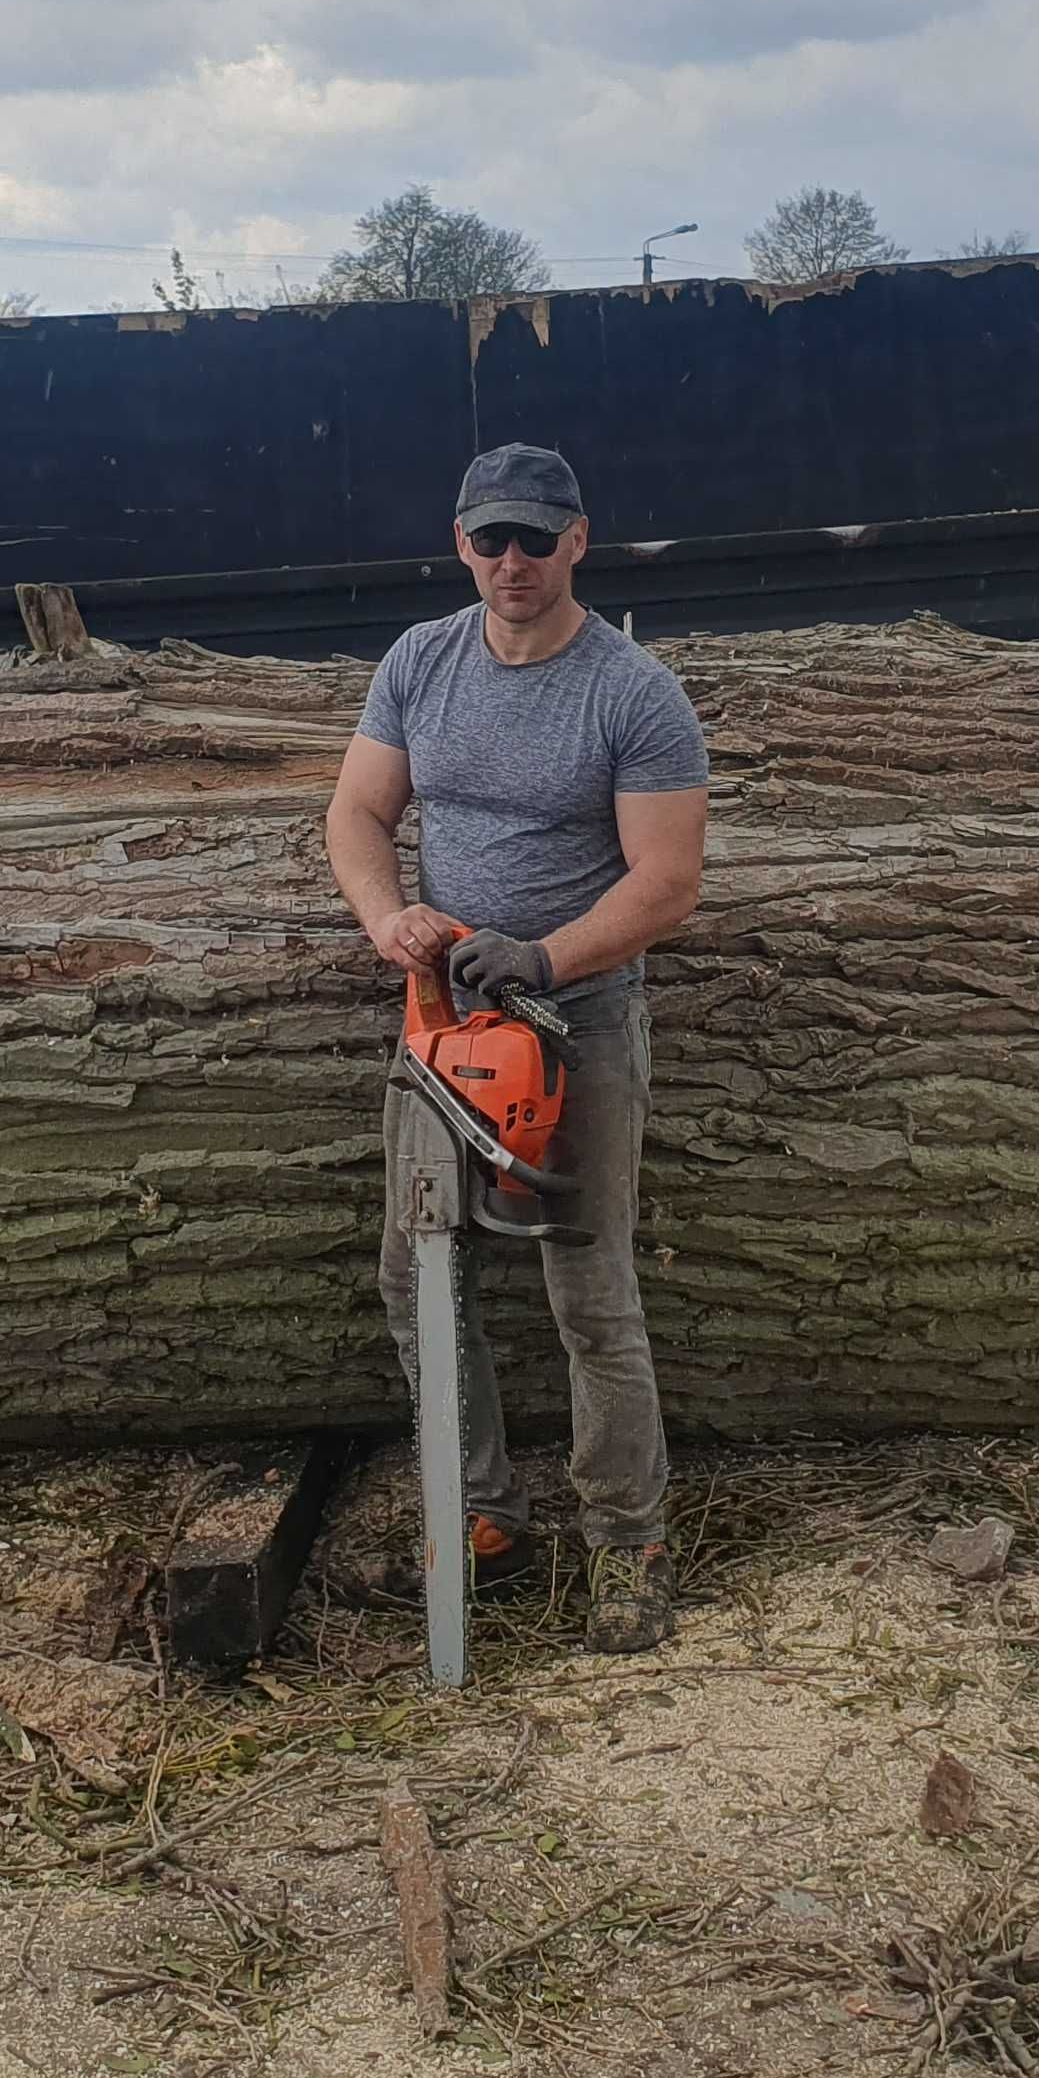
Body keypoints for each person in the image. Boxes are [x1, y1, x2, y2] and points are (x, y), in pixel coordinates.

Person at [326, 442, 709, 1652]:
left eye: (535, 540)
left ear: (578, 541)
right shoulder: (421, 662)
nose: (512, 562)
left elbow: (668, 885)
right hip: (446, 1022)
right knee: (416, 1276)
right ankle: (480, 1515)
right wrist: (389, 918)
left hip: (573, 1020)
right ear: (460, 544)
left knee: (588, 1287)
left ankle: (628, 1541)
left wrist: (547, 957)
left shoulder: (632, 692)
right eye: (490, 540)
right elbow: (358, 810)